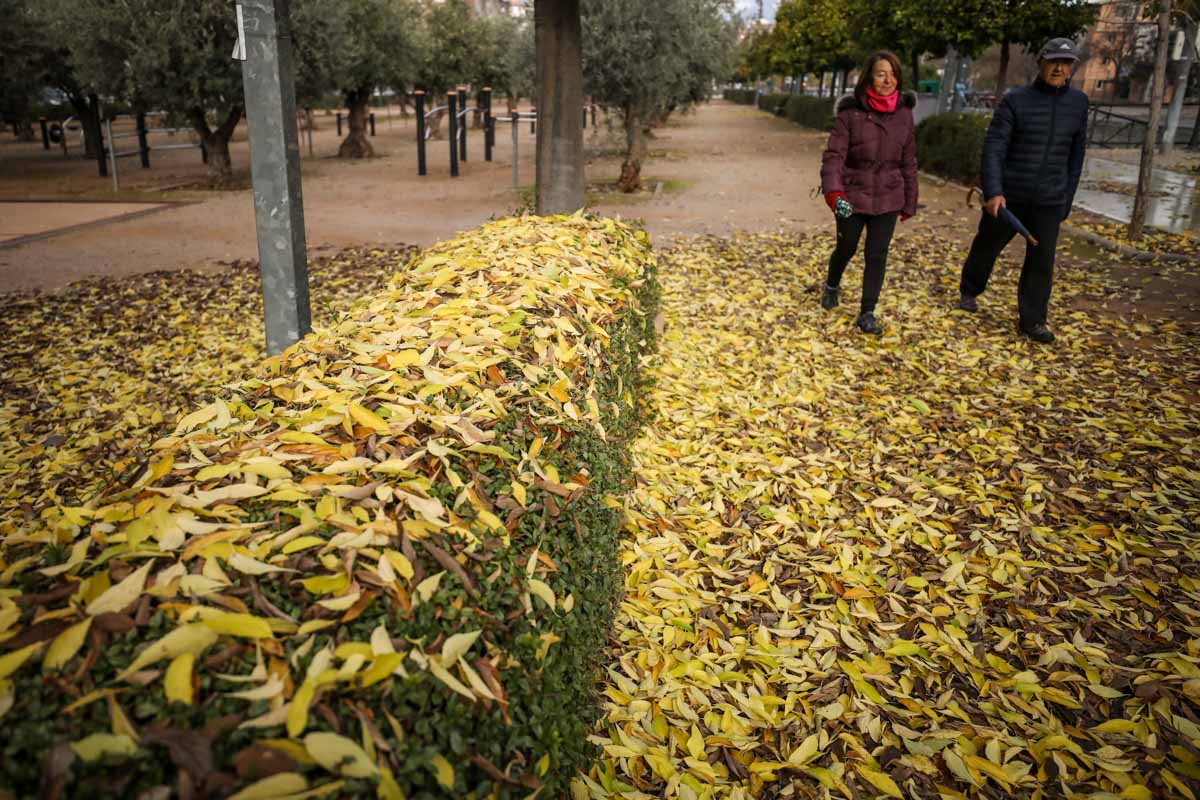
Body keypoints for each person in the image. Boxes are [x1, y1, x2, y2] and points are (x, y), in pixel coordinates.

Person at [957, 37, 1089, 344]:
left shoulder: (1079, 103)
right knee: (986, 247)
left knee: (1042, 261)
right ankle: (969, 290)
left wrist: (1066, 198)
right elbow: (994, 148)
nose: (1059, 68)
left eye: (1066, 63)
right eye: (1054, 61)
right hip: (1009, 196)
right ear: (1041, 62)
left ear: (1072, 68)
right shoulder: (1015, 100)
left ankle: (1033, 321)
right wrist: (993, 191)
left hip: (1049, 199)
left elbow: (1076, 156)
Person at [819, 50, 918, 335]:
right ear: (869, 78)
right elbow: (833, 157)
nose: (887, 79)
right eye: (880, 73)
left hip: (888, 197)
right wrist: (834, 194)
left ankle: (867, 312)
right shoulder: (850, 113)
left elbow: (909, 161)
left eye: (892, 73)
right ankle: (832, 284)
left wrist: (910, 200)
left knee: (877, 254)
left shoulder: (905, 114)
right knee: (847, 246)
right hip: (851, 197)